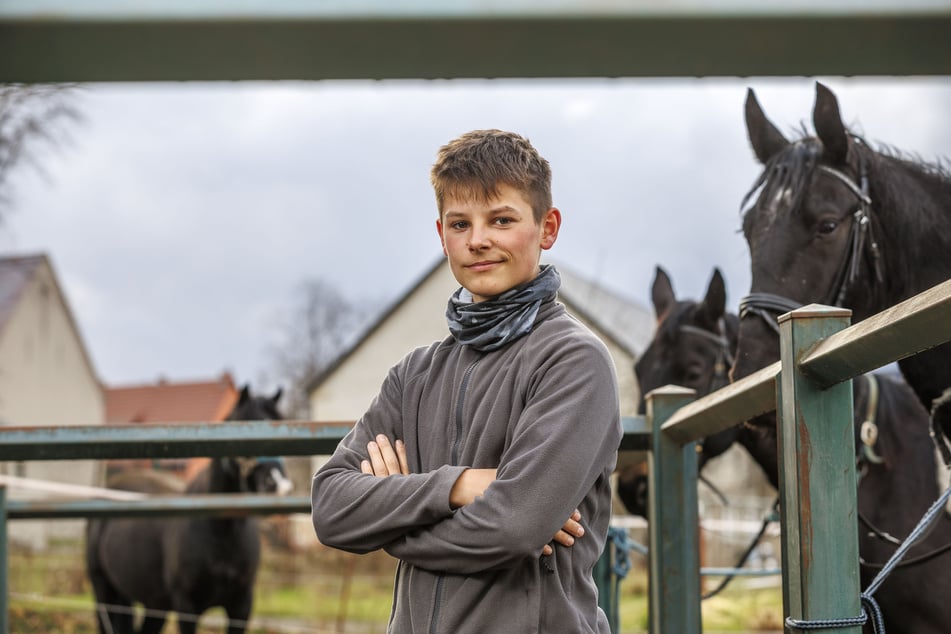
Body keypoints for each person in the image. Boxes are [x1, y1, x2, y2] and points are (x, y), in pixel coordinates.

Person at [311, 129, 622, 633]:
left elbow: (514, 527)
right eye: (461, 223)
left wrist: (394, 518)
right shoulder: (413, 375)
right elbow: (330, 507)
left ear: (547, 228)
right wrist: (460, 487)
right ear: (442, 235)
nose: (478, 240)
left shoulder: (574, 361)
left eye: (501, 219)